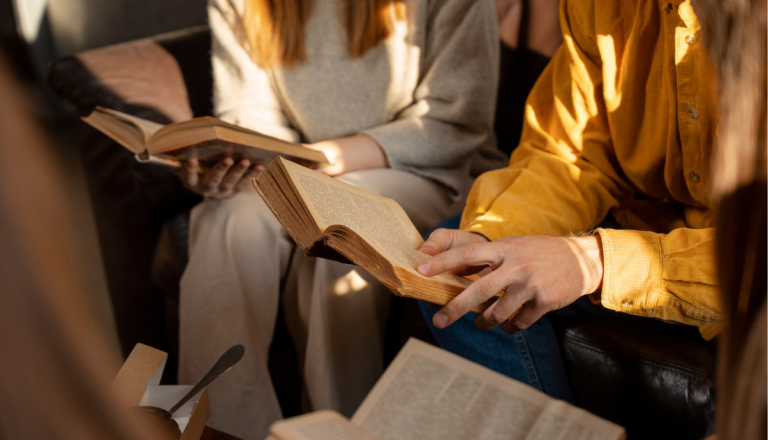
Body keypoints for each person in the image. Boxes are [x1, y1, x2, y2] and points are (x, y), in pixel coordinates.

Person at [177, 0, 507, 438]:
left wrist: (323, 160)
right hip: (303, 168)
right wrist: (230, 168)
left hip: (423, 169)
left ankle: (342, 430)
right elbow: (249, 118)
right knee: (225, 222)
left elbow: (453, 124)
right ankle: (222, 429)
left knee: (340, 242)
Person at [417, 0, 724, 395]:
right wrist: (493, 237)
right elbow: (569, 154)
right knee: (459, 276)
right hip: (644, 224)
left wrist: (594, 262)